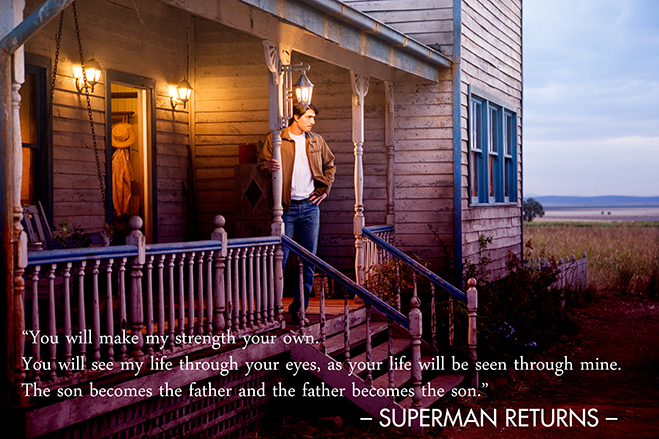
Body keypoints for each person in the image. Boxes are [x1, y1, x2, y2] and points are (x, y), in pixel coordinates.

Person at [257, 103, 336, 324]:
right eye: (309, 117)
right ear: (295, 116)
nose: (312, 121)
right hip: (285, 208)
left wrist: (324, 190)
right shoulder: (276, 139)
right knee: (279, 260)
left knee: (308, 259)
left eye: (313, 117)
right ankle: (273, 310)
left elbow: (330, 165)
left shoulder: (316, 140)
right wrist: (268, 167)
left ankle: (300, 308)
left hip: (310, 207)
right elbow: (261, 165)